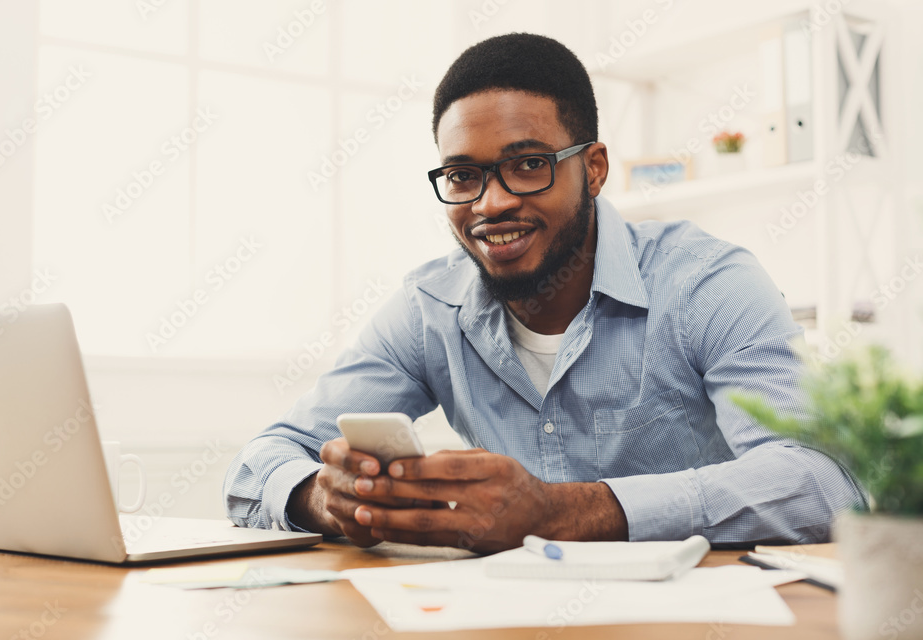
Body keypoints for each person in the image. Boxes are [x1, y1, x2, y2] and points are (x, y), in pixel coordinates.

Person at [223, 33, 864, 553]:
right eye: (463, 175)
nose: (491, 203)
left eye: (528, 164)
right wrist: (323, 497)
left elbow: (824, 478)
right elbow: (261, 459)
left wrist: (563, 512)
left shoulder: (707, 283)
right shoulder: (429, 308)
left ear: (593, 168)